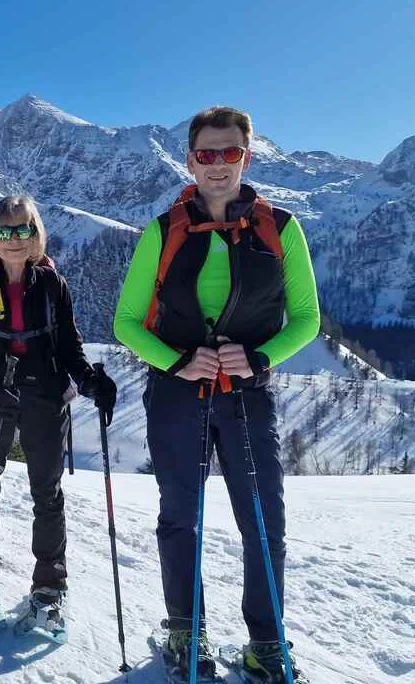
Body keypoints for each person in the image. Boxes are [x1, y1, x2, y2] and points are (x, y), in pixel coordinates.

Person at [113, 106, 318, 683]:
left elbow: (305, 319)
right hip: (178, 393)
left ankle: (267, 643)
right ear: (189, 160)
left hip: (247, 393)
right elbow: (127, 322)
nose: (219, 164)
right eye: (207, 153)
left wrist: (258, 358)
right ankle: (186, 631)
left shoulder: (282, 228)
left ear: (247, 157)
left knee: (263, 519)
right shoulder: (163, 229)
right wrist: (178, 361)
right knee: (181, 516)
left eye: (230, 152)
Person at [0, 195, 116, 627]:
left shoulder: (50, 283)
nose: (14, 239)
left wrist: (88, 379)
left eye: (23, 230)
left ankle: (49, 585)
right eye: (5, 231)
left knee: (47, 492)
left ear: (35, 234)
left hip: (43, 395)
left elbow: (68, 344)